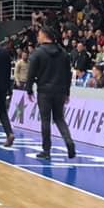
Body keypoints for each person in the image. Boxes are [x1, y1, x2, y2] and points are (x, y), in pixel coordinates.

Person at [25, 27, 76, 160]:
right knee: (59, 118)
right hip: (60, 91)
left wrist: (29, 89)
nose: (38, 37)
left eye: (39, 35)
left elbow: (31, 74)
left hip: (44, 91)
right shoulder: (64, 53)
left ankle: (46, 150)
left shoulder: (38, 53)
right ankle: (69, 141)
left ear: (44, 35)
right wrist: (67, 93)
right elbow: (68, 75)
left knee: (45, 120)